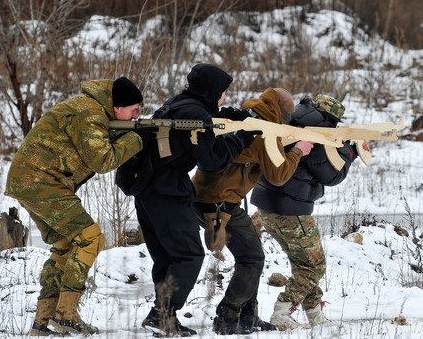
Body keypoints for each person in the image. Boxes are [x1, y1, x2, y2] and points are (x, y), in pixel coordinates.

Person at [4, 77, 145, 335]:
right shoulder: (89, 113)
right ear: (117, 108)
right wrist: (136, 139)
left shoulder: (90, 109)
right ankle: (66, 315)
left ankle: (42, 322)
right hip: (40, 181)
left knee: (66, 246)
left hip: (33, 181)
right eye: (134, 110)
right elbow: (103, 160)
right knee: (91, 238)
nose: (137, 116)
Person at [133, 63, 259, 337]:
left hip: (149, 188)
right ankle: (161, 316)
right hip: (167, 190)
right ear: (212, 90)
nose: (225, 97)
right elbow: (212, 159)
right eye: (223, 92)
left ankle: (163, 317)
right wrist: (243, 138)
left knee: (168, 257)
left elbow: (201, 123)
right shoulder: (193, 113)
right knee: (188, 255)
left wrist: (229, 115)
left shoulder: (178, 104)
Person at [191, 87, 314, 335]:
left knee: (251, 255)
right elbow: (278, 175)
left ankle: (248, 316)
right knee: (252, 258)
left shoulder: (246, 119)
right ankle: (228, 317)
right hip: (219, 203)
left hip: (205, 197)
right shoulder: (264, 132)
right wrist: (299, 150)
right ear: (280, 112)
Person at [251, 94, 367, 330]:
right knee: (315, 265)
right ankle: (283, 310)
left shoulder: (293, 121)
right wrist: (351, 151)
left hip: (268, 204)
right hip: (291, 209)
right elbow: (332, 174)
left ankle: (315, 314)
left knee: (302, 263)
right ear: (332, 119)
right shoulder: (317, 132)